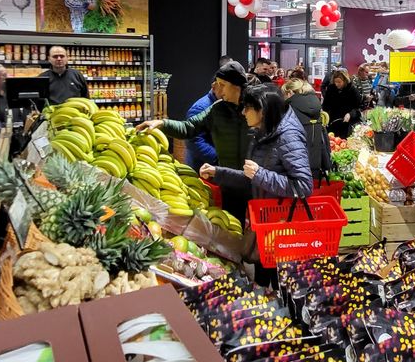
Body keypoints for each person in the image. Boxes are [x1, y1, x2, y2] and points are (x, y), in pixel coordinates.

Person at [202, 84, 311, 284]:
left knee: (281, 284)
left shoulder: (288, 137)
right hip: (266, 223)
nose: (243, 113)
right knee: (263, 279)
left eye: (247, 108)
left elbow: (303, 185)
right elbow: (252, 178)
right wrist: (218, 173)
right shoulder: (263, 132)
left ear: (262, 110)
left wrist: (261, 175)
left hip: (283, 226)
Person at [137, 61, 250, 220]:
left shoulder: (255, 108)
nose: (218, 88)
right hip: (229, 180)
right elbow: (190, 127)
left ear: (236, 85)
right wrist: (162, 123)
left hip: (254, 181)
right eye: (217, 84)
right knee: (234, 222)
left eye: (223, 84)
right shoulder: (217, 109)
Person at [282, 77, 331, 180]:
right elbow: (323, 141)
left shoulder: (288, 110)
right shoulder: (317, 108)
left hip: (293, 170)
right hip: (315, 168)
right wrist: (327, 165)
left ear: (290, 93)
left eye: (284, 95)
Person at [183, 80, 218, 172]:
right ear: (214, 87)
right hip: (200, 167)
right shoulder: (200, 108)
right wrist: (218, 159)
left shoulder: (221, 104)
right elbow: (194, 140)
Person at [322, 68, 362, 139]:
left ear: (345, 81)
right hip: (333, 123)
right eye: (335, 82)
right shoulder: (331, 89)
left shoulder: (352, 90)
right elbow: (326, 105)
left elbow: (357, 108)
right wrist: (325, 117)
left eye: (339, 82)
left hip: (347, 124)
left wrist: (350, 114)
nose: (337, 84)